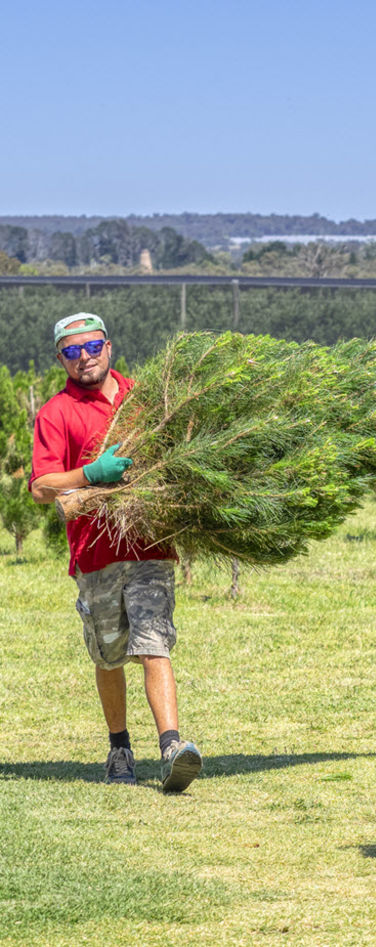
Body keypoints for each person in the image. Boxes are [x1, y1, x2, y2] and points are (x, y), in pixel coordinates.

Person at [29, 313, 202, 793]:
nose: (84, 357)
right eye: (71, 351)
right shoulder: (56, 412)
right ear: (60, 358)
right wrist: (90, 474)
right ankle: (120, 747)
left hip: (151, 545)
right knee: (109, 657)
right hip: (95, 554)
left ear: (109, 345)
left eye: (92, 346)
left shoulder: (146, 400)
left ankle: (172, 748)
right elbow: (42, 486)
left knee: (153, 640)